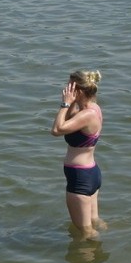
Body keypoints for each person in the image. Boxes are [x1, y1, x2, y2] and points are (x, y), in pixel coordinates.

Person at [50, 70, 106, 240]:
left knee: (85, 233)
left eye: (70, 86)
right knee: (95, 222)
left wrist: (65, 104)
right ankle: (104, 251)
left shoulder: (87, 115)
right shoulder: (92, 109)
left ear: (79, 91)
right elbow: (69, 120)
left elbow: (57, 130)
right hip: (90, 173)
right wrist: (73, 103)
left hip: (80, 178)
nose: (66, 89)